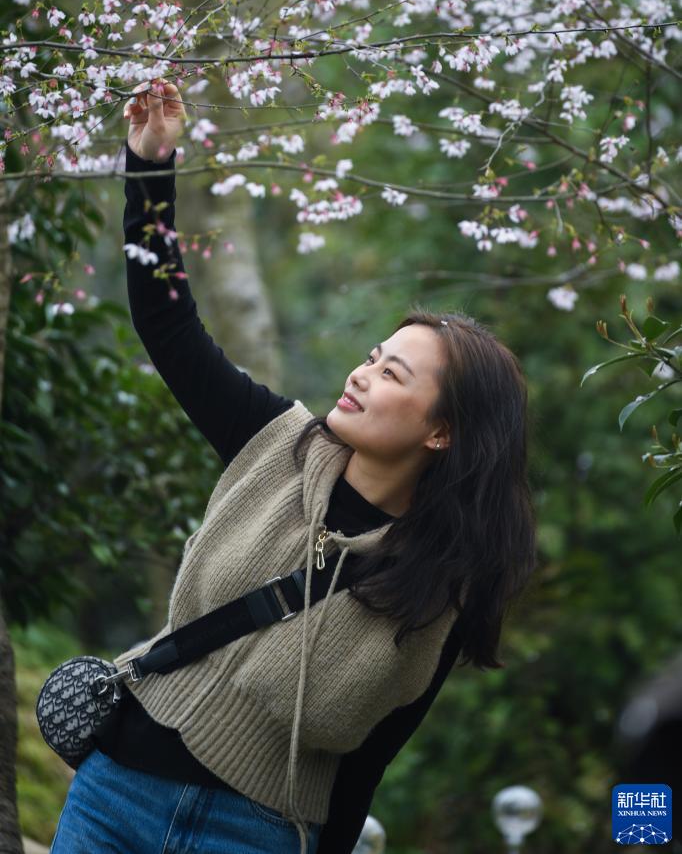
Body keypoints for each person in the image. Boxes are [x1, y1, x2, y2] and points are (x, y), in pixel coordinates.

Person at [49, 79, 538, 854]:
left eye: (392, 376)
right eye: (373, 356)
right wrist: (151, 167)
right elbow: (165, 319)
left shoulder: (441, 584)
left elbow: (368, 762)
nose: (361, 373)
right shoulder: (274, 440)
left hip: (259, 835)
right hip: (117, 793)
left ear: (442, 432)